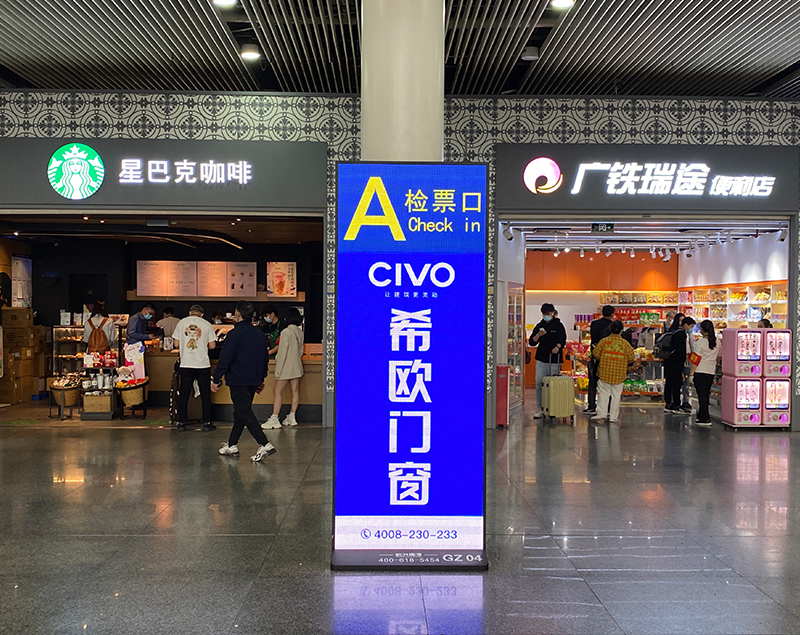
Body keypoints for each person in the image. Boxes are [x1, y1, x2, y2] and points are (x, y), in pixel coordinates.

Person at [212, 301, 275, 462]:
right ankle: (232, 444)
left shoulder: (234, 334)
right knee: (240, 411)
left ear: (238, 315)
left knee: (244, 412)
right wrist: (261, 378)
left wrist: (216, 378)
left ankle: (264, 443)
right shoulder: (260, 334)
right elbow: (264, 358)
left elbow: (225, 358)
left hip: (238, 379)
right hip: (254, 379)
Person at [174, 304, 216, 432]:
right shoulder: (207, 324)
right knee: (205, 394)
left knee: (184, 394)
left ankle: (181, 422)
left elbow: (176, 344)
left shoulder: (181, 323)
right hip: (202, 364)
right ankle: (207, 423)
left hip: (186, 364)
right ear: (202, 314)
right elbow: (213, 346)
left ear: (190, 312)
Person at [262, 307, 304, 429]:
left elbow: (282, 353)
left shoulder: (286, 332)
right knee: (294, 390)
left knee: (277, 391)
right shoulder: (300, 333)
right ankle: (292, 416)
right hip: (297, 366)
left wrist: (278, 370)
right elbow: (300, 351)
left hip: (285, 366)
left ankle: (275, 417)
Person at [591, 320, 636, 424]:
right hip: (619, 374)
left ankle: (602, 414)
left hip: (604, 372)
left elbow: (596, 354)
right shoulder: (625, 344)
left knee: (603, 394)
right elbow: (631, 358)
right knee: (616, 396)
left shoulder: (604, 341)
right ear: (621, 330)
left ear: (610, 329)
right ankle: (613, 417)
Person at [528, 303, 567, 419]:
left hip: (554, 359)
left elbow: (562, 339)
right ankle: (540, 408)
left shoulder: (559, 325)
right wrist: (539, 334)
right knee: (539, 383)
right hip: (541, 358)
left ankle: (553, 408)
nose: (546, 315)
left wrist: (557, 347)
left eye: (548, 313)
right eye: (544, 314)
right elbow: (532, 342)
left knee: (553, 384)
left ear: (553, 313)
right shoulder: (540, 325)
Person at [584, 305, 615, 415]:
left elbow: (593, 339)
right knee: (607, 384)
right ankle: (607, 408)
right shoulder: (613, 326)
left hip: (595, 356)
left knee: (592, 382)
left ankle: (591, 407)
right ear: (612, 314)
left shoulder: (594, 324)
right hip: (608, 358)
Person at [690, 319, 719, 427]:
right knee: (706, 394)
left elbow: (695, 360)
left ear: (702, 329)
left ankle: (705, 417)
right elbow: (719, 357)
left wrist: (691, 374)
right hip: (711, 371)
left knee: (701, 395)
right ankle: (701, 415)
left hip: (700, 371)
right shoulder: (717, 342)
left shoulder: (700, 342)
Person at [664, 315, 695, 414]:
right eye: (691, 326)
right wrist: (684, 359)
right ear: (686, 325)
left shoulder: (673, 331)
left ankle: (669, 404)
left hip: (669, 361)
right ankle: (676, 405)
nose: (691, 329)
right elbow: (680, 350)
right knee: (677, 384)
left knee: (669, 383)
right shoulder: (681, 334)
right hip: (676, 363)